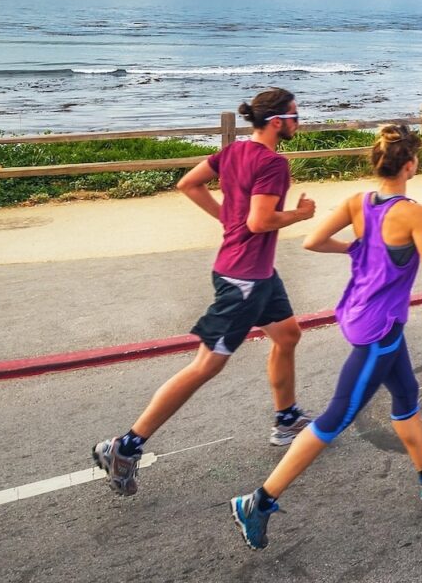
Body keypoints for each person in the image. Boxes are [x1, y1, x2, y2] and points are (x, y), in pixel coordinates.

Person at [230, 123, 422, 550]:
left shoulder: (358, 203)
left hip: (362, 314)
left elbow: (312, 240)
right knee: (336, 418)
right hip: (379, 328)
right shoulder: (412, 211)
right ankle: (259, 501)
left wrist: (360, 247)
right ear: (411, 163)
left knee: (406, 394)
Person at [92, 87, 316, 495]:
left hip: (260, 275)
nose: (299, 123)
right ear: (277, 122)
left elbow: (188, 184)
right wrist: (299, 214)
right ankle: (125, 445)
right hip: (243, 280)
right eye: (296, 117)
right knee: (205, 366)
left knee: (287, 335)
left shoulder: (233, 152)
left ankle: (286, 420)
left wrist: (225, 218)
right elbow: (260, 223)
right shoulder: (272, 163)